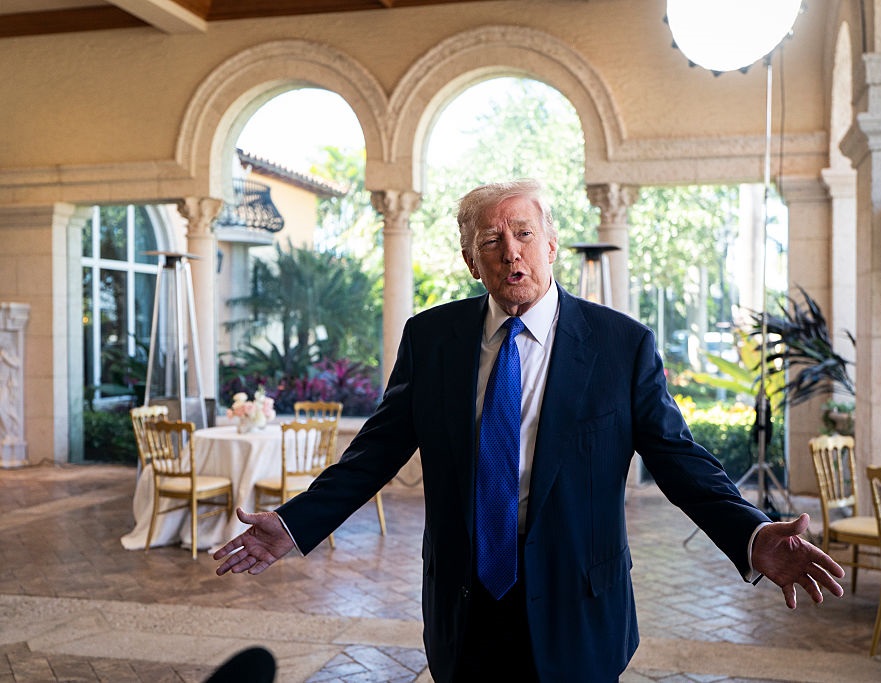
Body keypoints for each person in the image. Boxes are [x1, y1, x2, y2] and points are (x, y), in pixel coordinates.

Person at [214, 179, 844, 683]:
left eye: (523, 234)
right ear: (471, 261)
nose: (510, 252)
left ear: (551, 246)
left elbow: (679, 460)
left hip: (578, 602)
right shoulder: (431, 339)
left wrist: (749, 531)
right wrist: (296, 523)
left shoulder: (620, 345)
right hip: (465, 600)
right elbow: (375, 452)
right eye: (491, 240)